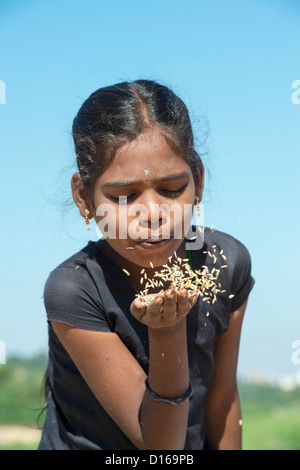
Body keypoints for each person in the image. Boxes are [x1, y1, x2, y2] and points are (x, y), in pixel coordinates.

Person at [38, 79, 254, 450]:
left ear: (198, 180)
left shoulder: (224, 262)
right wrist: (167, 330)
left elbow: (222, 401)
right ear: (83, 197)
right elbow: (159, 445)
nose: (153, 214)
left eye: (172, 190)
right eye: (123, 196)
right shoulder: (75, 288)